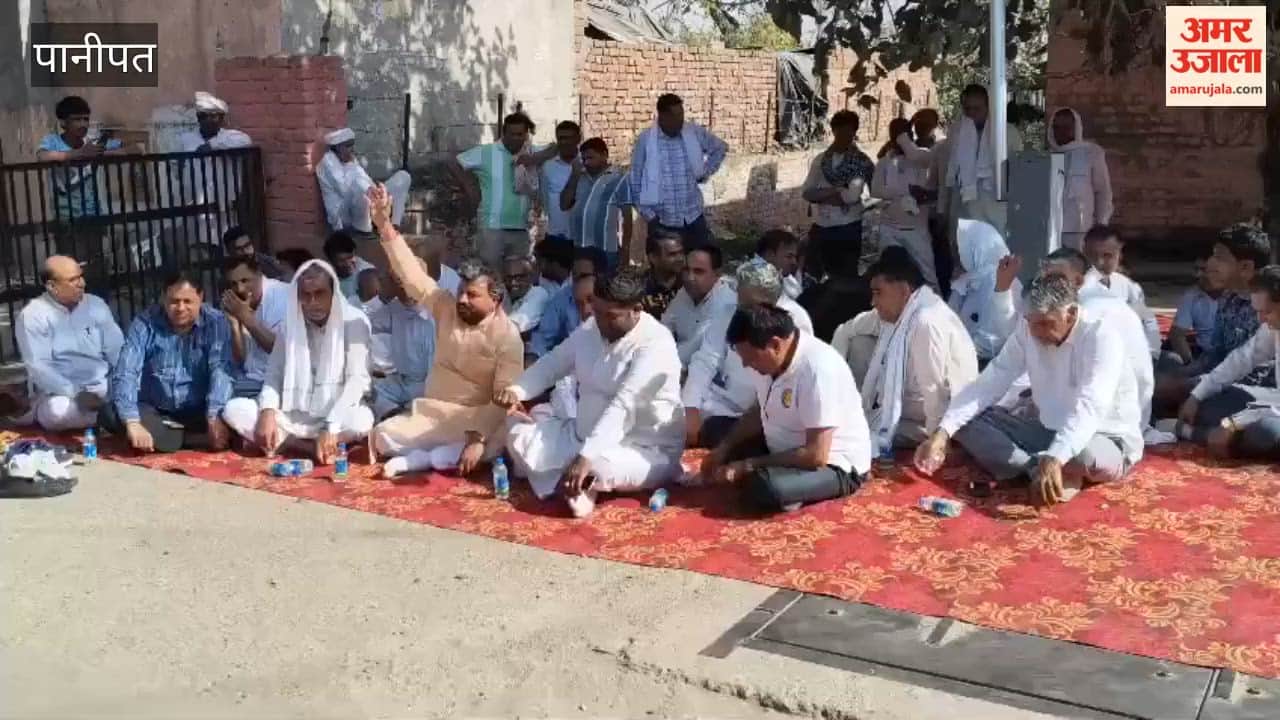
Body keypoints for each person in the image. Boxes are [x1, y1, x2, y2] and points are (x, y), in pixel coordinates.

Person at [914, 275, 1143, 506]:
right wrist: (942, 433)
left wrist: (1057, 455)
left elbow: (1091, 406)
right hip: (1046, 429)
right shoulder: (1029, 329)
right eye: (1031, 322)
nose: (1036, 332)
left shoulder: (1101, 336)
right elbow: (991, 381)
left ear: (1071, 314)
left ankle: (1048, 467)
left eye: (1045, 323)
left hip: (1104, 437)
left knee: (1083, 455)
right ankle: (1037, 469)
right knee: (963, 420)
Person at [365, 185, 525, 479]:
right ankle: (438, 456)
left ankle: (426, 458)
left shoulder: (508, 337)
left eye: (472, 295)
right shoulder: (446, 307)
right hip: (435, 415)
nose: (462, 299)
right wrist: (384, 225)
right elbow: (412, 276)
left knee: (508, 438)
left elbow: (504, 399)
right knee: (384, 436)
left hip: (480, 419)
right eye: (461, 292)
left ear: (496, 299)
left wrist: (477, 438)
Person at [497, 269, 684, 517]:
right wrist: (517, 390)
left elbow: (624, 405)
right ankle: (576, 482)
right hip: (582, 435)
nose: (600, 322)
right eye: (596, 312)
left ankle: (580, 479)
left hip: (643, 448)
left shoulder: (656, 344)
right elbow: (554, 363)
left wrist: (586, 456)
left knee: (600, 466)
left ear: (637, 309)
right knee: (516, 433)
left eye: (611, 316)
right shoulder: (592, 327)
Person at [699, 304, 870, 514]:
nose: (745, 365)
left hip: (833, 465)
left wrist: (748, 465)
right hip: (782, 448)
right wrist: (723, 448)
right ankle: (781, 482)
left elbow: (815, 455)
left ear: (775, 345)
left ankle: (786, 487)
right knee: (716, 432)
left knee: (762, 489)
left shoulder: (818, 369)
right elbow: (760, 409)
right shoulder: (765, 362)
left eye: (750, 358)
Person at [222, 261, 375, 463]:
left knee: (361, 421)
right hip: (293, 416)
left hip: (335, 413)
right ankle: (309, 448)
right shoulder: (291, 324)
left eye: (319, 293)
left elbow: (357, 381)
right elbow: (274, 374)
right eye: (306, 295)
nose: (312, 302)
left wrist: (330, 425)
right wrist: (267, 411)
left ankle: (293, 444)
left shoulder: (354, 322)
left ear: (333, 292)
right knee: (235, 409)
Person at [683, 261, 814, 449]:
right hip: (721, 405)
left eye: (750, 303)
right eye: (740, 300)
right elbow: (706, 360)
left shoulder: (795, 319)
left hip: (767, 415)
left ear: (771, 301)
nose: (742, 307)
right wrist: (691, 406)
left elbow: (789, 379)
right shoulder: (730, 311)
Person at [853, 255, 977, 451]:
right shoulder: (904, 311)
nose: (873, 302)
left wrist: (938, 439)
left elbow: (934, 391)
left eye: (878, 293)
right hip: (912, 407)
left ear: (903, 290)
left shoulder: (925, 320)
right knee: (859, 342)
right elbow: (852, 327)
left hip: (941, 416)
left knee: (856, 433)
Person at [104, 272, 235, 454]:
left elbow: (220, 369)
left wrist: (214, 415)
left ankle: (176, 439)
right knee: (111, 413)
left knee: (235, 412)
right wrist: (132, 422)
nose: (180, 308)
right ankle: (192, 439)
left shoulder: (216, 322)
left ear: (201, 297)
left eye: (187, 302)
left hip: (200, 409)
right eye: (174, 301)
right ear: (164, 299)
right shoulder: (145, 322)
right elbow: (126, 371)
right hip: (157, 410)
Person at [1154, 224, 1273, 416]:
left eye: (1219, 257)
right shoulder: (1228, 298)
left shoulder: (1270, 306)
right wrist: (1186, 374)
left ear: (1245, 267)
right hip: (1220, 377)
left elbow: (1255, 373)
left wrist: (1191, 386)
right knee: (1162, 369)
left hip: (1255, 390)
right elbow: (1215, 353)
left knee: (1201, 406)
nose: (1210, 263)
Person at [1176, 265, 1280, 460]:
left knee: (1265, 432)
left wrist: (1233, 423)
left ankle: (1197, 435)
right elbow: (1242, 359)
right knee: (1208, 407)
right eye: (1257, 312)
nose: (1261, 319)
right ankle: (1212, 434)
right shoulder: (1273, 327)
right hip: (1274, 399)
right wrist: (1196, 396)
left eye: (1266, 312)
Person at [14, 255, 124, 431]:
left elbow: (117, 350)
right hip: (63, 395)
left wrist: (124, 383)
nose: (82, 283)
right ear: (52, 286)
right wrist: (78, 394)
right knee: (56, 413)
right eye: (73, 280)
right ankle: (111, 418)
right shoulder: (32, 316)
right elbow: (39, 369)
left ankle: (110, 415)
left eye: (81, 276)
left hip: (103, 387)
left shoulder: (96, 305)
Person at [37, 96, 134, 267]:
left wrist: (101, 154)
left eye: (86, 119)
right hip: (67, 218)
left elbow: (134, 148)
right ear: (63, 122)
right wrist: (78, 154)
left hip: (93, 215)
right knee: (71, 268)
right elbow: (42, 156)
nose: (83, 124)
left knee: (96, 265)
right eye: (76, 119)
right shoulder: (53, 141)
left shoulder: (93, 143)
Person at [629, 94, 728, 250]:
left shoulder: (693, 133)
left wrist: (705, 172)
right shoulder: (646, 141)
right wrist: (650, 217)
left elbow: (720, 147)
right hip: (662, 221)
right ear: (662, 116)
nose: (680, 120)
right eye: (675, 116)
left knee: (698, 266)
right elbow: (635, 181)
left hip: (693, 216)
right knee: (668, 270)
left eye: (681, 114)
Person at [451, 112, 542, 270]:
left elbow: (555, 149)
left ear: (526, 135)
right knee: (489, 274)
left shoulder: (531, 152)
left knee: (518, 275)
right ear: (504, 133)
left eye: (520, 134)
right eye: (511, 134)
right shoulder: (487, 152)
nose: (516, 138)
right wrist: (470, 188)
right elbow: (455, 162)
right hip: (491, 228)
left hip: (521, 227)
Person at [941, 84, 1024, 236]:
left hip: (996, 209)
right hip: (964, 208)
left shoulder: (1007, 132)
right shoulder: (956, 132)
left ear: (988, 107)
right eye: (967, 109)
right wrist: (944, 209)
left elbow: (1017, 173)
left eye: (977, 108)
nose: (972, 113)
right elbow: (949, 172)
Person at [802, 110, 873, 279]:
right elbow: (807, 192)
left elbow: (851, 197)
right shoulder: (821, 160)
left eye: (849, 132)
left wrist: (821, 196)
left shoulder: (860, 161)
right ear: (833, 131)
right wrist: (836, 190)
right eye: (840, 132)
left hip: (847, 227)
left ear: (854, 132)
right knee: (813, 276)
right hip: (821, 226)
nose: (844, 137)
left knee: (845, 278)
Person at [176, 92, 255, 243]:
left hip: (225, 205)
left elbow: (246, 142)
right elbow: (179, 166)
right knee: (201, 245)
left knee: (227, 245)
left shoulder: (231, 137)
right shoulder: (187, 139)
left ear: (221, 119)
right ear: (199, 118)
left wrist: (213, 146)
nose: (210, 121)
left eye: (215, 117)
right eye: (205, 116)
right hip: (197, 204)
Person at [873, 118, 937, 290]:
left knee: (928, 276)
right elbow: (876, 191)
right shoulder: (885, 162)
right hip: (890, 228)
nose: (900, 138)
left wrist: (903, 139)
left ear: (910, 134)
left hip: (916, 230)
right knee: (890, 275)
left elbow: (914, 154)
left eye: (904, 133)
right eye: (895, 133)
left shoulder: (923, 156)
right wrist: (900, 194)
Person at [948, 218, 1022, 362]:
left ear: (975, 247)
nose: (957, 256)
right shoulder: (972, 278)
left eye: (960, 249)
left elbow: (994, 340)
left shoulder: (993, 279)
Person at [316, 127, 412, 235]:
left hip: (365, 207)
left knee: (403, 177)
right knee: (359, 184)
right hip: (342, 216)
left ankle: (394, 225)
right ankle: (364, 230)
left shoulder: (350, 159)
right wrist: (352, 166)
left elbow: (366, 181)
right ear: (338, 147)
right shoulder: (328, 162)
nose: (352, 149)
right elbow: (344, 189)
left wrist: (377, 191)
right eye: (348, 146)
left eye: (352, 144)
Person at [1082, 226, 1160, 357]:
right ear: (1083, 252)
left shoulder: (1129, 287)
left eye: (1107, 256)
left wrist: (1152, 354)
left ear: (1119, 254)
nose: (1099, 262)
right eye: (1092, 255)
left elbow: (1148, 322)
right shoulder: (1073, 288)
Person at [221, 255, 289, 398]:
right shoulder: (238, 303)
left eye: (245, 281)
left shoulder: (282, 296)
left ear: (259, 274)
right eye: (233, 283)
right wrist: (235, 324)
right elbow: (239, 359)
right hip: (250, 379)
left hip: (278, 382)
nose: (240, 288)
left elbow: (276, 347)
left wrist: (246, 318)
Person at [560, 137, 635, 268]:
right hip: (579, 248)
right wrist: (574, 175)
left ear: (605, 155)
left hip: (605, 249)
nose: (586, 163)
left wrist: (625, 250)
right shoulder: (579, 178)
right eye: (583, 159)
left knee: (605, 286)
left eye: (590, 158)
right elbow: (564, 205)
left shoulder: (619, 178)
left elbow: (627, 217)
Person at [1049, 108, 1113, 251]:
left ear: (1076, 127)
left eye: (1067, 127)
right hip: (1051, 231)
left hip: (1082, 231)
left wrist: (1100, 226)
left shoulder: (1092, 153)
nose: (1062, 132)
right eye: (1057, 127)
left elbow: (1103, 192)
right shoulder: (1046, 157)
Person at [528, 247, 608, 360]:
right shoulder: (563, 297)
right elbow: (542, 337)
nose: (578, 281)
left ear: (601, 276)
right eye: (574, 276)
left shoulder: (612, 305)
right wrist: (533, 356)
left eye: (583, 276)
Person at [662, 245, 737, 366]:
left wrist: (658, 357)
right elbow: (665, 327)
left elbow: (693, 349)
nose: (690, 278)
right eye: (687, 270)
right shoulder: (685, 293)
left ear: (717, 274)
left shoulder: (726, 304)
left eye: (699, 271)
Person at [1165, 257, 1223, 366]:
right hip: (1207, 357)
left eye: (1204, 270)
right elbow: (1177, 335)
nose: (1198, 275)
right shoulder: (1192, 296)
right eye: (1196, 270)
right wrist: (1190, 364)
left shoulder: (1240, 296)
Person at [540, 121, 582, 244]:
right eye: (561, 138)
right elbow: (544, 201)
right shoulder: (548, 167)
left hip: (582, 238)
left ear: (578, 139)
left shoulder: (587, 164)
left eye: (568, 138)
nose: (564, 142)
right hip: (556, 236)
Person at [502, 255, 552, 338]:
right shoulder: (505, 293)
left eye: (518, 277)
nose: (513, 282)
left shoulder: (539, 294)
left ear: (530, 277)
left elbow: (514, 326)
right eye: (508, 278)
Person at [641, 229, 685, 319]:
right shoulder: (639, 289)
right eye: (672, 254)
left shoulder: (690, 282)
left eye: (681, 253)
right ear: (653, 258)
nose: (680, 258)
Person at [324, 231, 376, 301]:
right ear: (331, 261)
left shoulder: (368, 274)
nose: (348, 264)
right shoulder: (327, 277)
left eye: (350, 257)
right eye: (342, 260)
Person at [221, 226, 288, 280]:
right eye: (239, 249)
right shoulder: (228, 272)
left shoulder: (267, 262)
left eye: (247, 245)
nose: (245, 252)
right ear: (230, 251)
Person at [754, 229, 804, 300]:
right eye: (789, 256)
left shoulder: (792, 285)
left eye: (795, 257)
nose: (794, 262)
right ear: (769, 255)